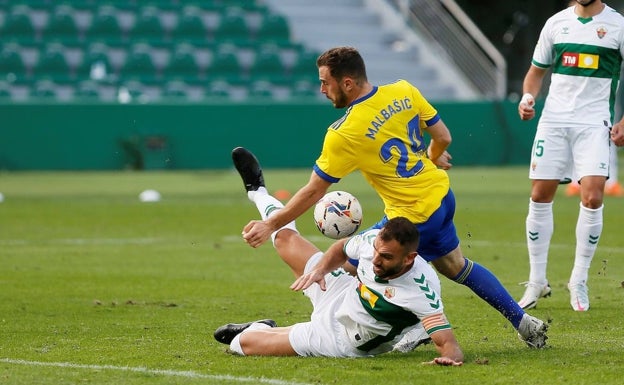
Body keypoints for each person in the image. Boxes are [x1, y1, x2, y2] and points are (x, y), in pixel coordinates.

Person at [232, 46, 548, 349]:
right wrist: (433, 156)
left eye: (325, 83)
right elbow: (444, 138)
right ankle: (523, 323)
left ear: (347, 82)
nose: (322, 90)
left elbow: (314, 190)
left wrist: (271, 223)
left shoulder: (345, 133)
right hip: (440, 197)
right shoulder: (403, 90)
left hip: (410, 216)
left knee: (356, 266)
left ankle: (413, 326)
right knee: (456, 266)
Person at [216, 152, 463, 364]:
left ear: (410, 258)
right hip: (341, 291)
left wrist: (449, 358)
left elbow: (449, 345)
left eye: (386, 257)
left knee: (243, 344)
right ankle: (257, 192)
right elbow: (342, 248)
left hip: (339, 338)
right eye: (377, 251)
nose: (375, 260)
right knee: (284, 239)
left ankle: (260, 328)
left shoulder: (422, 290)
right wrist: (320, 270)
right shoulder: (371, 243)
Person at [517, 0, 624, 311]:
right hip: (554, 122)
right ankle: (537, 281)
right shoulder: (556, 23)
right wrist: (527, 98)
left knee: (592, 197)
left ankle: (579, 278)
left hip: (594, 123)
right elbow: (535, 74)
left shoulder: (618, 25)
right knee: (539, 195)